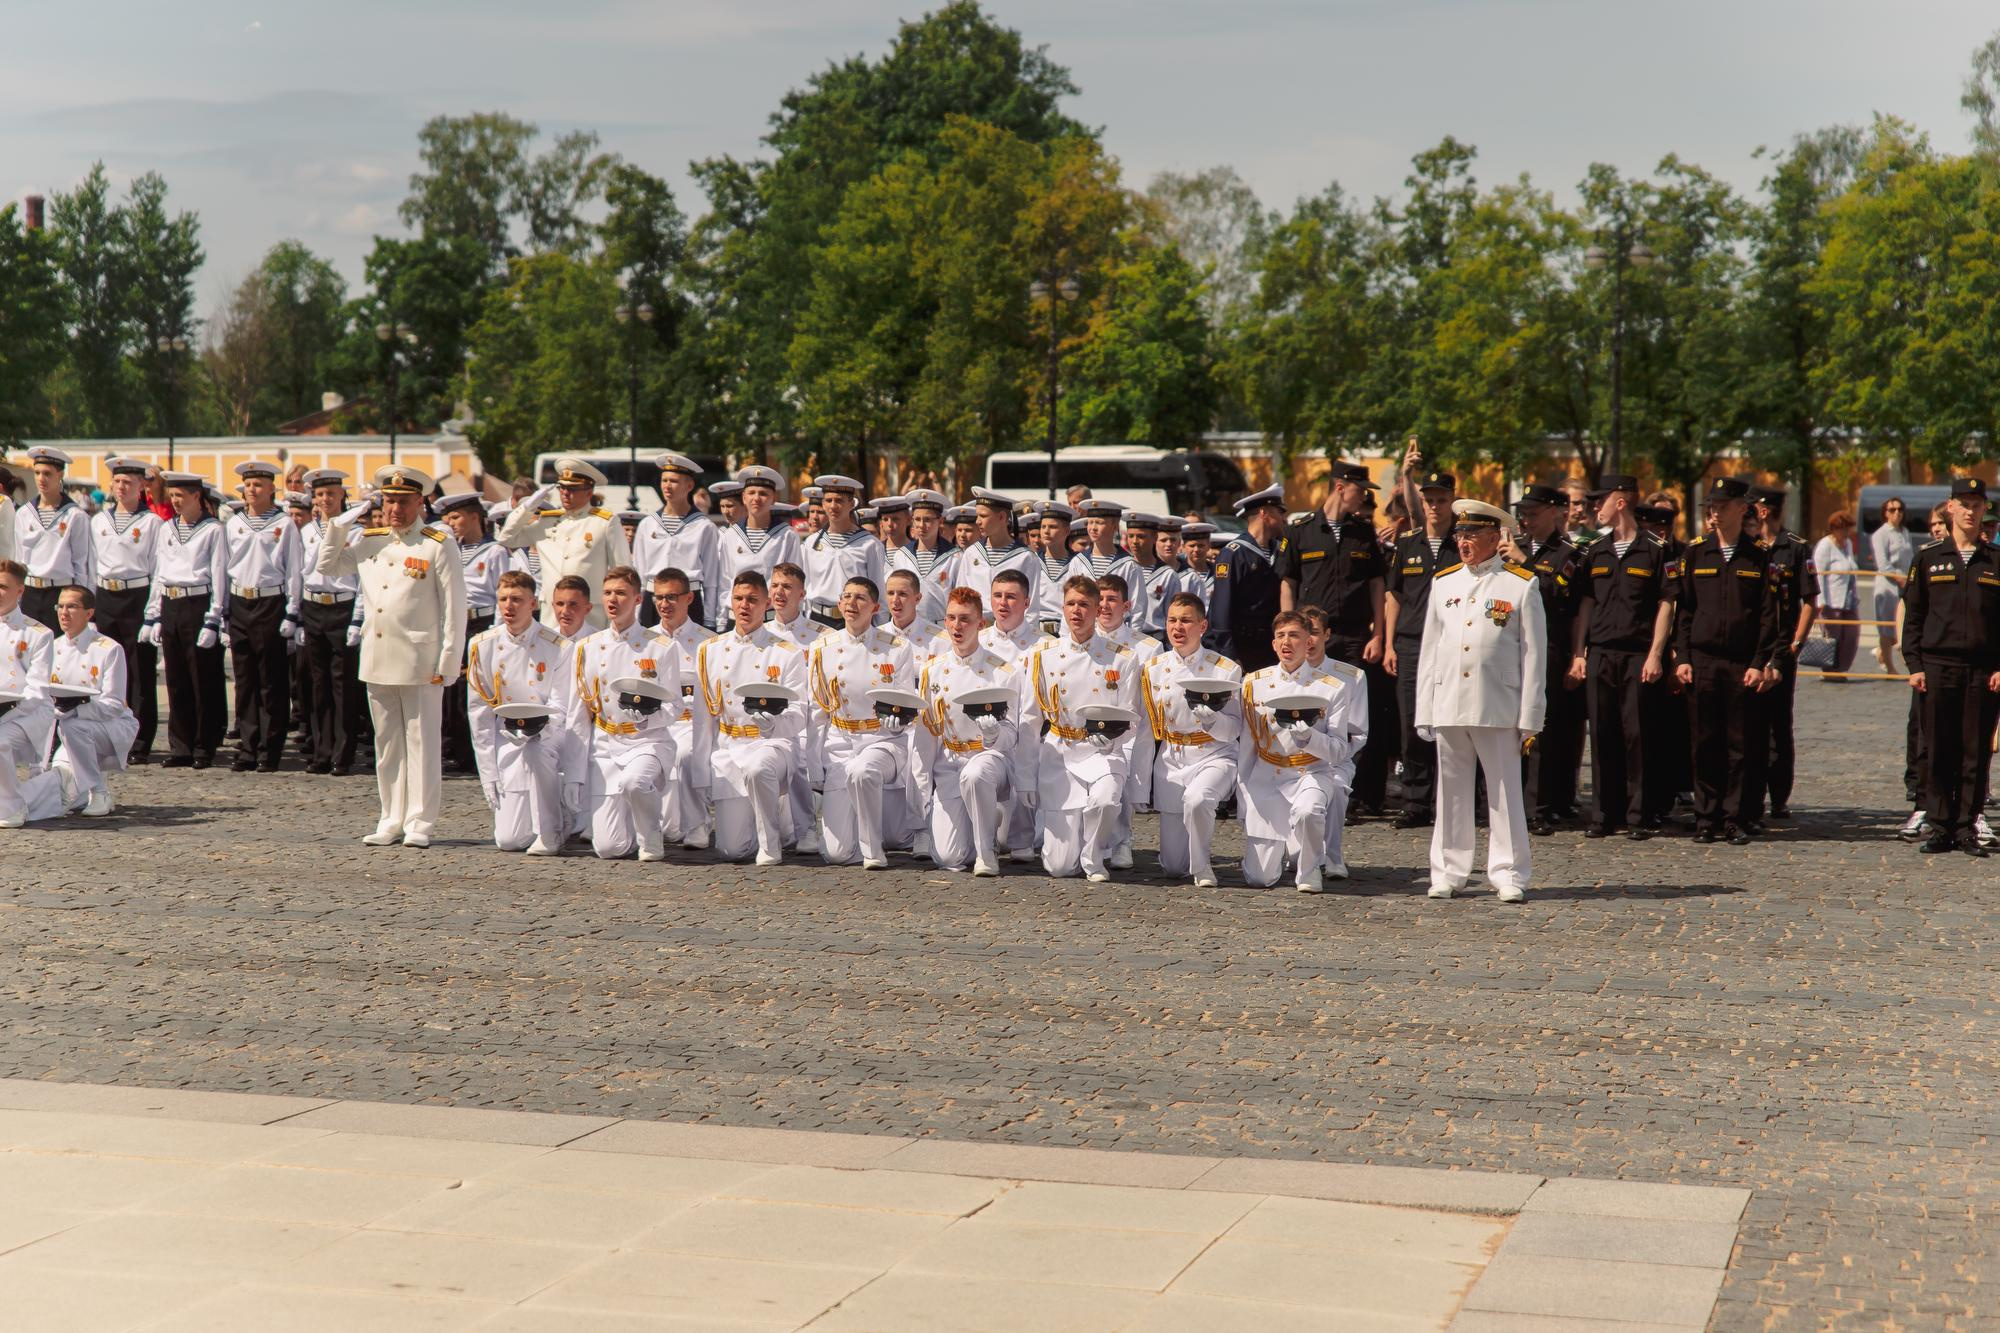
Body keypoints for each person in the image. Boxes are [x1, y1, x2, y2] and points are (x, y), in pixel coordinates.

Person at [315, 465, 469, 849]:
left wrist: (450, 659)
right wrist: (337, 525)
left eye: (403, 500)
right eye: (389, 500)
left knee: (422, 742)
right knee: (387, 745)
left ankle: (419, 821)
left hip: (421, 658)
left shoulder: (437, 542)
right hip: (379, 654)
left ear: (421, 501)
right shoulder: (371, 540)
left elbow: (454, 606)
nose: (395, 508)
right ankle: (391, 817)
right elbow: (328, 566)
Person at [1415, 501, 1546, 901]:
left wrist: (1531, 714)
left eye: (1472, 535)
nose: (1464, 542)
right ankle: (1449, 871)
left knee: (1505, 790)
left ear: (1494, 538)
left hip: (1498, 703)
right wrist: (1425, 708)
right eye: (1460, 534)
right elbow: (1430, 650)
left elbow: (1535, 655)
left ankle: (1509, 872)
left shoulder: (1521, 584)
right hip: (1450, 701)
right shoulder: (1444, 583)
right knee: (1451, 790)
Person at [1672, 477, 1783, 845]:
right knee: (1704, 742)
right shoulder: (1696, 552)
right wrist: (1683, 657)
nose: (1715, 512)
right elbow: (1684, 611)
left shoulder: (1759, 555)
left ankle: (1734, 816)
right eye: (1711, 507)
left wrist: (1759, 661)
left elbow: (1769, 615)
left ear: (1740, 508)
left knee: (1740, 744)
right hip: (1702, 659)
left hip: (1740, 663)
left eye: (1722, 506)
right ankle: (1706, 817)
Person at [1281, 461, 1390, 815]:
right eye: (1362, 489)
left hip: (1354, 634)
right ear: (1341, 487)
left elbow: (1377, 584)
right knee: (1311, 704)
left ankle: (1355, 791)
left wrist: (1380, 633)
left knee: (1355, 712)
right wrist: (1287, 630)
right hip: (1311, 636)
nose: (1366, 496)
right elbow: (1289, 583)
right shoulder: (1302, 531)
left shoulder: (1362, 532)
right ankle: (1306, 776)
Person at [1569, 474, 1674, 840]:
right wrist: (1578, 653)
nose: (1593, 507)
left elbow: (1666, 603)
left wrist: (1656, 653)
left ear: (1620, 502)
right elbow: (1585, 603)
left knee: (1637, 736)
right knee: (1601, 733)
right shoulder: (1595, 551)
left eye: (1600, 500)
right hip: (1601, 652)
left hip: (1636, 654)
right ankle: (1603, 814)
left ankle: (1638, 815)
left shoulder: (1655, 550)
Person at [1022, 576, 1143, 882]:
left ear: (1096, 608)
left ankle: (1094, 855)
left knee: (1104, 800)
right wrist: (1025, 777)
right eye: (1071, 604)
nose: (1076, 611)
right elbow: (1029, 719)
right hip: (1060, 753)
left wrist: (1114, 737)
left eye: (1084, 605)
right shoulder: (1043, 657)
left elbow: (1132, 717)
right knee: (1059, 867)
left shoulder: (1122, 658)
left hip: (1103, 751)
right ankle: (1075, 844)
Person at [1903, 477, 2000, 857]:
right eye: (1964, 503)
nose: (1971, 510)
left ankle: (1966, 826)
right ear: (1950, 508)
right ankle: (1940, 825)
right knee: (1939, 748)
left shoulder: (1995, 561)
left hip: (1982, 670)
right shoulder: (1928, 558)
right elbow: (1914, 616)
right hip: (1938, 666)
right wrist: (1914, 663)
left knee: (1975, 750)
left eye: (1977, 504)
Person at [690, 571, 809, 865]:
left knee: (759, 769)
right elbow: (703, 719)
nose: (745, 606)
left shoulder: (786, 652)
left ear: (767, 603)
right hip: (730, 746)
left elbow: (799, 713)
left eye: (753, 600)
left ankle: (771, 845)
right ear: (730, 601)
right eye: (739, 599)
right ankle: (773, 814)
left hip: (772, 743)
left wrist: (774, 723)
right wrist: (700, 773)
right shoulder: (709, 650)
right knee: (732, 850)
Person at [569, 566, 681, 861]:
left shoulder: (660, 647)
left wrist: (646, 718)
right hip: (606, 745)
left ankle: (651, 835)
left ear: (638, 599)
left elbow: (674, 706)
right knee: (609, 849)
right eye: (607, 593)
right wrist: (573, 775)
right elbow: (579, 715)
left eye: (621, 593)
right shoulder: (586, 648)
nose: (613, 600)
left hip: (647, 741)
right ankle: (633, 820)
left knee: (636, 782)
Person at [805, 576, 917, 868]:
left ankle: (872, 849)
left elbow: (906, 701)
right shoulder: (822, 647)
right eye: (846, 597)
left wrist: (898, 722)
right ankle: (847, 833)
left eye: (860, 598)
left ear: (875, 607)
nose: (851, 604)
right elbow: (818, 711)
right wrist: (814, 764)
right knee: (837, 854)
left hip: (883, 740)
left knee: (863, 770)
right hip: (839, 741)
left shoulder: (896, 647)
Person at [465, 570, 578, 855]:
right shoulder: (482, 645)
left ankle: (552, 829)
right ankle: (541, 813)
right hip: (507, 737)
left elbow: (560, 705)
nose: (508, 606)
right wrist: (488, 772)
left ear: (533, 603)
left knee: (536, 752)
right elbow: (479, 715)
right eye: (503, 599)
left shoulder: (559, 646)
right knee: (509, 841)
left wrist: (538, 734)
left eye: (517, 599)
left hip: (548, 736)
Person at [912, 587, 1023, 875]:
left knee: (976, 774)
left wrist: (994, 733)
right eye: (951, 618)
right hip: (950, 763)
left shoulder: (1002, 671)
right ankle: (986, 821)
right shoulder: (932, 671)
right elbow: (927, 733)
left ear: (980, 624)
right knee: (949, 858)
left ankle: (987, 852)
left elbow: (1013, 735)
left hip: (990, 759)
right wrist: (921, 786)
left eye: (965, 619)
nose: (957, 626)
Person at [1238, 612, 1353, 893]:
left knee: (1308, 811)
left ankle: (1310, 869)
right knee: (1259, 878)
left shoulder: (1332, 688)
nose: (1286, 642)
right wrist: (1243, 797)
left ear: (1308, 641)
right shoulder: (1254, 683)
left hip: (1310, 772)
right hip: (1268, 777)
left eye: (1294, 635)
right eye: (1280, 636)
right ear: (1274, 644)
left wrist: (1310, 737)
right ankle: (1287, 847)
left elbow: (1339, 750)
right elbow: (1247, 746)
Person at [1139, 593, 1242, 887]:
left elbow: (1234, 728)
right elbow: (1147, 729)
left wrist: (1212, 720)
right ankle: (1185, 862)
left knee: (1198, 801)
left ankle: (1203, 866)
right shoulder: (1153, 668)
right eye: (1172, 620)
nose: (1177, 627)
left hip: (1214, 753)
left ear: (1203, 625)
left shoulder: (1224, 668)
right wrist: (1139, 784)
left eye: (1186, 620)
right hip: (1172, 756)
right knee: (1172, 867)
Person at [1504, 484, 1587, 833]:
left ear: (1555, 512)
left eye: (1534, 513)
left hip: (1551, 648)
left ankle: (1538, 806)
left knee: (1541, 730)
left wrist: (1526, 565)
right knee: (1510, 728)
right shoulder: (1513, 548)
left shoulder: (1569, 552)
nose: (1527, 520)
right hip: (1513, 649)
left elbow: (1557, 595)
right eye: (1524, 514)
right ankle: (1509, 802)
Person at [218, 460, 304, 773]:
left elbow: (294, 569)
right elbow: (225, 568)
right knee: (245, 680)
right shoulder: (234, 523)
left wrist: (293, 611)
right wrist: (224, 610)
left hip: (271, 603)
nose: (252, 490)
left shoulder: (284, 524)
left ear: (271, 489)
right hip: (241, 602)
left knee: (271, 680)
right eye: (248, 485)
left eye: (258, 485)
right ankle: (247, 746)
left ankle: (270, 747)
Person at [1383, 468, 1457, 828]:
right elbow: (1394, 595)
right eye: (1429, 500)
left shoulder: (1463, 541)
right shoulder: (1408, 544)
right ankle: (1415, 801)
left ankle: (1450, 797)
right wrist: (1389, 645)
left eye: (1441, 500)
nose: (1434, 506)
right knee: (1412, 722)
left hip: (1452, 644)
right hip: (1411, 643)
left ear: (1452, 501)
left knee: (1449, 722)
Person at [143, 472, 231, 770]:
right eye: (173, 495)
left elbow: (219, 574)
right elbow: (160, 571)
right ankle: (180, 744)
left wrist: (214, 618)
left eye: (181, 495)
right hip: (171, 602)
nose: (176, 501)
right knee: (176, 677)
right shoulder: (168, 528)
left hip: (197, 602)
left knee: (201, 678)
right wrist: (153, 614)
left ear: (197, 496)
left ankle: (204, 744)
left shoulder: (213, 530)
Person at [498, 457, 633, 631]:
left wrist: (621, 616)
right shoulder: (547, 522)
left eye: (573, 489)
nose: (566, 494)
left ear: (589, 492)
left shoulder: (604, 522)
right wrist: (527, 507)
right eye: (562, 488)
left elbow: (621, 571)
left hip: (590, 612)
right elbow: (506, 538)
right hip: (552, 612)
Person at [39, 586, 138, 817]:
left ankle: (100, 792)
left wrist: (74, 711)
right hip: (70, 730)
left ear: (89, 613)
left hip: (112, 727)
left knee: (73, 727)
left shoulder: (109, 649)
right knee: (59, 783)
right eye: (60, 606)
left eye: (72, 606)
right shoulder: (52, 648)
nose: (64, 613)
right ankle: (82, 789)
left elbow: (114, 704)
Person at [1750, 486, 1818, 821]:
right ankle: (1749, 793)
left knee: (1778, 724)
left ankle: (1778, 796)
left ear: (1763, 510)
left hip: (1780, 649)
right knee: (1749, 724)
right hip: (1750, 649)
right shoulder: (1747, 547)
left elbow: (1810, 601)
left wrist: (1795, 643)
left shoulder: (1795, 547)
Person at [89, 458, 162, 764]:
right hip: (106, 596)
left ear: (142, 485)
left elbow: (159, 568)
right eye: (117, 481)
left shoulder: (152, 523)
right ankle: (106, 731)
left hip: (137, 595)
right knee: (106, 670)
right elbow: (91, 565)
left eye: (129, 482)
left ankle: (140, 739)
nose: (121, 487)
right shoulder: (99, 521)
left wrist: (153, 610)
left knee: (139, 671)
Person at [435, 491, 503, 776]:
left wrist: (497, 633)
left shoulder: (494, 551)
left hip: (481, 623)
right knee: (450, 687)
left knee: (476, 689)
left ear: (475, 517)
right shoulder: (450, 548)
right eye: (448, 517)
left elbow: (502, 593)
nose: (451, 522)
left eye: (456, 516)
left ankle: (476, 753)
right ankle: (456, 747)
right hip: (454, 623)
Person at [650, 566, 718, 848]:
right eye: (659, 597)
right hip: (656, 722)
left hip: (694, 722)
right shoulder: (646, 640)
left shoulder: (709, 642)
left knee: (686, 753)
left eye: (672, 597)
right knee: (668, 830)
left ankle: (698, 824)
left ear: (689, 599)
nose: (665, 604)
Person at [630, 453, 723, 632]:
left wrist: (711, 619)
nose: (667, 486)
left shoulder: (704, 526)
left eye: (674, 481)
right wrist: (636, 615)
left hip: (689, 599)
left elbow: (712, 579)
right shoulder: (647, 524)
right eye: (664, 480)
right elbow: (640, 575)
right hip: (653, 599)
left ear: (689, 485)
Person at [0, 561, 58, 826]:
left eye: (3, 586)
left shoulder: (39, 634)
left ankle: (12, 807)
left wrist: (7, 713)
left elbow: (37, 689)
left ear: (20, 590)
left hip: (27, 712)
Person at [1205, 485, 1286, 673]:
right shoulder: (1233, 554)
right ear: (1264, 513)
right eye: (1280, 512)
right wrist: (1230, 655)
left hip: (1271, 645)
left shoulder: (1279, 551)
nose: (1284, 518)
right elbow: (1221, 609)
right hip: (1242, 647)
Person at [712, 466, 803, 631]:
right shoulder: (730, 535)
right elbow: (724, 582)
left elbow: (795, 582)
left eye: (763, 494)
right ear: (744, 497)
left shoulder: (787, 536)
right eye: (752, 493)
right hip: (737, 619)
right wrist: (720, 621)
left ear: (773, 499)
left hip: (771, 620)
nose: (757, 498)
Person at [15, 447, 93, 630]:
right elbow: (19, 559)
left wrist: (81, 601)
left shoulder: (75, 515)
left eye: (47, 473)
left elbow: (81, 563)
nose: (41, 479)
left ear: (60, 474)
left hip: (61, 592)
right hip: (30, 591)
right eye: (37, 473)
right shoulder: (24, 513)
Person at [802, 476, 888, 631]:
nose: (833, 506)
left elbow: (878, 594)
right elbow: (806, 587)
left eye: (840, 500)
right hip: (816, 621)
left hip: (854, 620)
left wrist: (879, 630)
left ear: (851, 503)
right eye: (828, 500)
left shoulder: (870, 544)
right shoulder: (811, 543)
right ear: (823, 503)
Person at [950, 488, 1044, 618]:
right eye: (977, 516)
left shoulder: (1025, 557)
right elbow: (961, 598)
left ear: (1001, 517)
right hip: (976, 630)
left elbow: (1031, 608)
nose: (977, 521)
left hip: (1011, 631)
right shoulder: (972, 553)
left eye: (983, 516)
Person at [887, 489, 956, 625]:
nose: (921, 525)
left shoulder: (955, 556)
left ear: (940, 521)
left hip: (941, 626)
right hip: (908, 625)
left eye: (927, 520)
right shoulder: (901, 555)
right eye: (917, 519)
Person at [1871, 496, 1916, 672]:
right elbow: (1883, 563)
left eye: (1899, 509)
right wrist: (1900, 579)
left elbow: (1910, 557)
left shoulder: (1904, 532)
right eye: (1892, 510)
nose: (1896, 513)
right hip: (1888, 585)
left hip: (1905, 583)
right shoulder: (1880, 534)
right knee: (1887, 626)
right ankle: (1889, 665)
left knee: (1902, 625)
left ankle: (1882, 653)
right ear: (1885, 513)